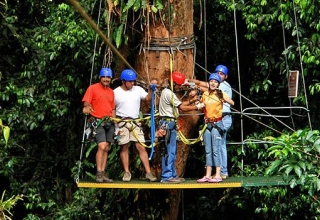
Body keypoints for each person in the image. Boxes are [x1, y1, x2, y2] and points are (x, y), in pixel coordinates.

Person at [188, 64, 232, 179]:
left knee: (219, 146)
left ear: (225, 77)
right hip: (208, 122)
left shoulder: (223, 87)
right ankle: (209, 174)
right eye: (217, 73)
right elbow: (205, 86)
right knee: (210, 148)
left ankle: (222, 172)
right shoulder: (208, 92)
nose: (218, 75)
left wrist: (193, 84)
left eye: (221, 74)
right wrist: (191, 82)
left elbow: (205, 86)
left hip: (222, 119)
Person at [158, 71, 203, 183]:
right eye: (178, 84)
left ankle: (172, 174)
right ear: (173, 83)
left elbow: (180, 104)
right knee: (168, 151)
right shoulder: (168, 93)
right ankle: (166, 176)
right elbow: (182, 108)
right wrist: (197, 106)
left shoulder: (168, 92)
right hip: (167, 124)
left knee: (172, 150)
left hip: (170, 124)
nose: (179, 87)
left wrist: (191, 101)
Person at [114, 69, 157, 182]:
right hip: (122, 122)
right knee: (124, 147)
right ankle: (127, 172)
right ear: (123, 81)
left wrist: (150, 89)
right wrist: (115, 124)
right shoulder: (116, 92)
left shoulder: (137, 89)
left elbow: (148, 98)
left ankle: (148, 173)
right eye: (130, 81)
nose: (133, 83)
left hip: (135, 122)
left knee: (141, 147)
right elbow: (112, 108)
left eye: (133, 81)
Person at [82, 67, 116, 183]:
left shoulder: (111, 92)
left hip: (109, 121)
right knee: (101, 146)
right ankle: (98, 172)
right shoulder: (93, 88)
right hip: (98, 121)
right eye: (104, 77)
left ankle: (102, 172)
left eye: (108, 77)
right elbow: (86, 101)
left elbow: (112, 108)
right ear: (100, 77)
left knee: (106, 148)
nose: (106, 79)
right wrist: (87, 107)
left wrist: (116, 124)